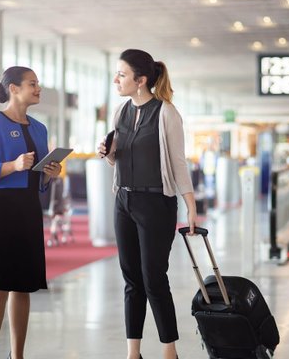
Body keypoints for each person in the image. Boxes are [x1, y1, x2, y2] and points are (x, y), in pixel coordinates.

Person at [98, 49, 196, 359]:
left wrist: (191, 205)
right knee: (131, 280)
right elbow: (120, 160)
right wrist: (108, 152)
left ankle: (169, 351)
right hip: (124, 200)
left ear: (141, 81)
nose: (117, 79)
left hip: (156, 204)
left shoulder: (166, 113)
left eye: (122, 75)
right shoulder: (120, 112)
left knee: (154, 278)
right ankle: (133, 352)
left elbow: (178, 163)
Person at [0, 66, 62, 359]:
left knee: (23, 286)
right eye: (32, 84)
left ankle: (17, 355)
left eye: (38, 84)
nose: (38, 89)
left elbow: (38, 178)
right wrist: (13, 165)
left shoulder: (39, 128)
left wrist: (50, 173)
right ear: (13, 88)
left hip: (28, 208)